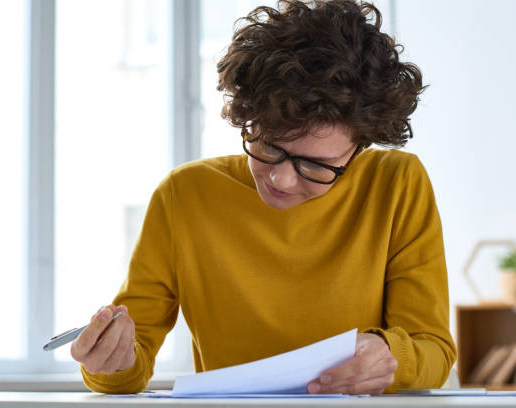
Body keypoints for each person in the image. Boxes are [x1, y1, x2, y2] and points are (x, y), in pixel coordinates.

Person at [70, 0, 456, 395]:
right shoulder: (184, 195)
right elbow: (128, 367)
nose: (281, 179)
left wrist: (391, 354)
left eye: (315, 165)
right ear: (246, 116)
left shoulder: (396, 184)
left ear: (359, 147)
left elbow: (434, 351)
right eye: (269, 145)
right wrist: (110, 360)